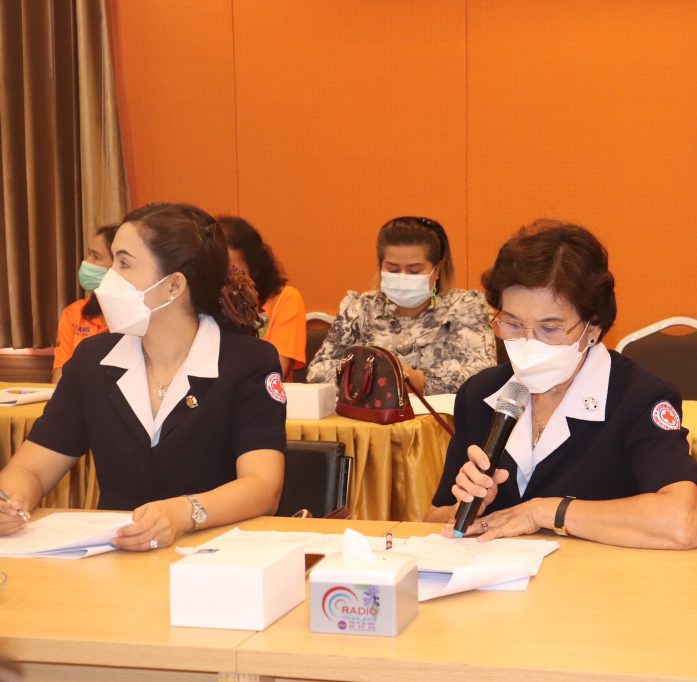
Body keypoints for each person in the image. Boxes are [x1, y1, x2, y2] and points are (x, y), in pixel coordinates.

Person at [0, 203, 286, 551]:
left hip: (213, 558)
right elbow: (31, 469)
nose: (108, 279)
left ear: (173, 285)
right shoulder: (93, 360)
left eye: (124, 264)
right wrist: (12, 500)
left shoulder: (249, 362)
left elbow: (262, 486)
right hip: (113, 559)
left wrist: (181, 513)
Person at [425, 220, 697, 549]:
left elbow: (683, 522)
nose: (528, 343)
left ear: (593, 327)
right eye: (512, 324)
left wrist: (544, 512)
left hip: (598, 578)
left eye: (549, 329)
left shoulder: (639, 397)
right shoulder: (480, 394)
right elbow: (433, 518)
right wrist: (465, 511)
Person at [306, 216, 495, 395]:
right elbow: (316, 373)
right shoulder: (358, 307)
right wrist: (369, 376)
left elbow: (482, 377)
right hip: (369, 417)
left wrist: (418, 380)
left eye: (414, 271)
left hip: (438, 417)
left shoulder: (465, 306)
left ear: (436, 270)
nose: (403, 277)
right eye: (393, 269)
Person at [219, 216, 307, 381]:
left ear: (254, 269)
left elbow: (274, 374)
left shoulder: (286, 299)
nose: (223, 281)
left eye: (231, 272)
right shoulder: (201, 304)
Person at [51, 224, 119, 382]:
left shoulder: (138, 320)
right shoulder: (74, 313)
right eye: (89, 254)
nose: (87, 262)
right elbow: (60, 378)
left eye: (96, 256)